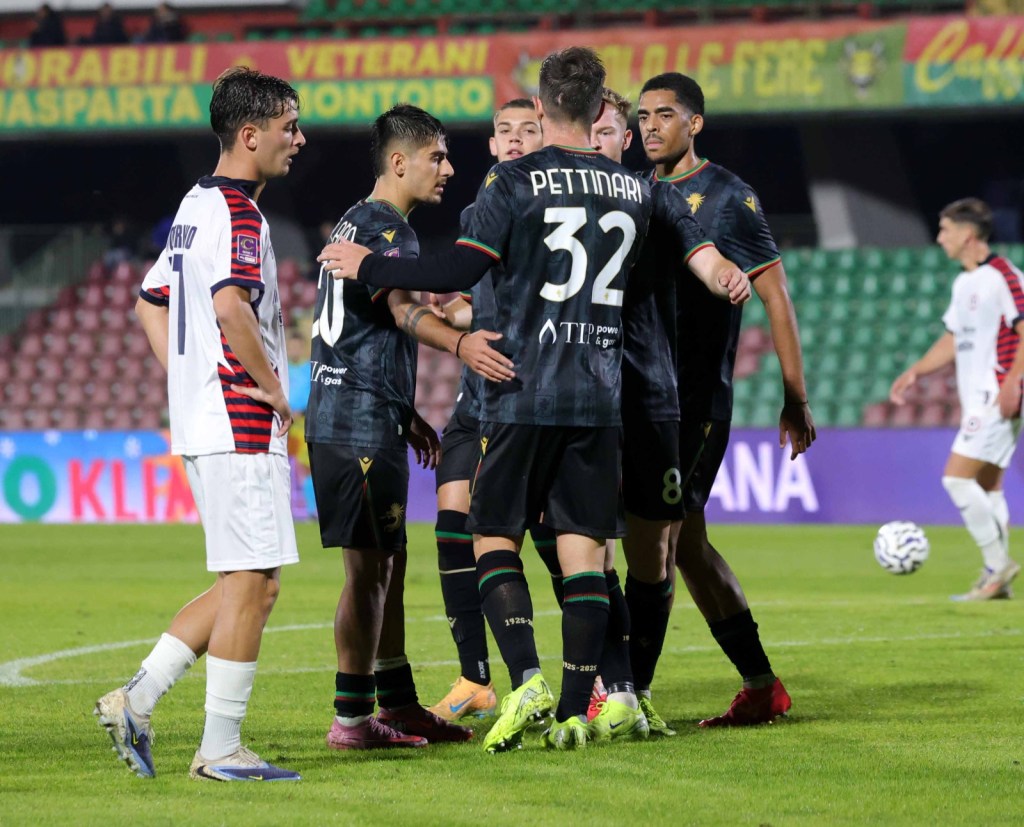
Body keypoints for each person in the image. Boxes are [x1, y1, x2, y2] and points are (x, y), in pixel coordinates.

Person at [320, 48, 747, 751]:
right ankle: (582, 709)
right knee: (586, 554)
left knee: (492, 537)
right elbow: (706, 262)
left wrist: (372, 263)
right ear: (598, 109)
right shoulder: (639, 189)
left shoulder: (512, 181)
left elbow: (458, 267)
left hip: (522, 389)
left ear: (543, 110)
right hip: (600, 396)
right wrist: (726, 271)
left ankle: (524, 682)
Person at [96, 67, 305, 782]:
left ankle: (139, 697)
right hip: (241, 420)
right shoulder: (241, 215)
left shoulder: (193, 207)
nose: (299, 140)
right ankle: (220, 748)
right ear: (251, 135)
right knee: (252, 582)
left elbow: (149, 302)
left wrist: (186, 380)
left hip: (207, 416)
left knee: (250, 581)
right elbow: (231, 309)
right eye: (289, 126)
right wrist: (276, 392)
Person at [306, 104, 513, 751]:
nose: (449, 168)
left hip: (365, 416)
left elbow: (362, 330)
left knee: (387, 563)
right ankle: (351, 717)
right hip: (357, 425)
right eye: (437, 156)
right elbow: (399, 310)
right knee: (368, 573)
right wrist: (460, 345)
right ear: (399, 162)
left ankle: (395, 702)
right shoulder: (388, 231)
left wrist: (408, 411)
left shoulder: (356, 222)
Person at [635, 72, 815, 727]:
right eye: (642, 117)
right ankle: (761, 684)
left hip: (696, 401)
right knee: (684, 544)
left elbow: (776, 295)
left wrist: (794, 397)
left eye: (663, 115)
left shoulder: (729, 197)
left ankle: (624, 690)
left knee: (660, 538)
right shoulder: (638, 195)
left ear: (694, 123)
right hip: (643, 396)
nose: (649, 126)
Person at [589, 87, 751, 737]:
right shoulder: (543, 201)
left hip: (652, 398)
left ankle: (633, 687)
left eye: (608, 133)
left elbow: (699, 250)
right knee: (588, 548)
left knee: (653, 555)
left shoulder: (651, 197)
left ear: (625, 142)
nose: (597, 142)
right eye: (587, 130)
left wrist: (722, 275)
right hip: (581, 401)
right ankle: (603, 686)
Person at [427, 98, 565, 723]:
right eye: (503, 131)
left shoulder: (560, 213)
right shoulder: (479, 210)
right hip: (476, 399)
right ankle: (475, 678)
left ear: (549, 137)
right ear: (489, 145)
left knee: (549, 539)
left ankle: (590, 675)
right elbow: (475, 304)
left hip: (531, 397)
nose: (514, 140)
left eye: (527, 130)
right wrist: (446, 320)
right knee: (453, 527)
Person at [891, 198, 1024, 601]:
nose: (939, 238)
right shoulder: (964, 282)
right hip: (980, 398)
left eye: (945, 229)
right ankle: (995, 578)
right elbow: (953, 338)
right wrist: (916, 369)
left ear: (967, 235)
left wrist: (1013, 383)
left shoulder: (1004, 275)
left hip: (996, 395)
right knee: (987, 486)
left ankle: (998, 566)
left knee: (956, 478)